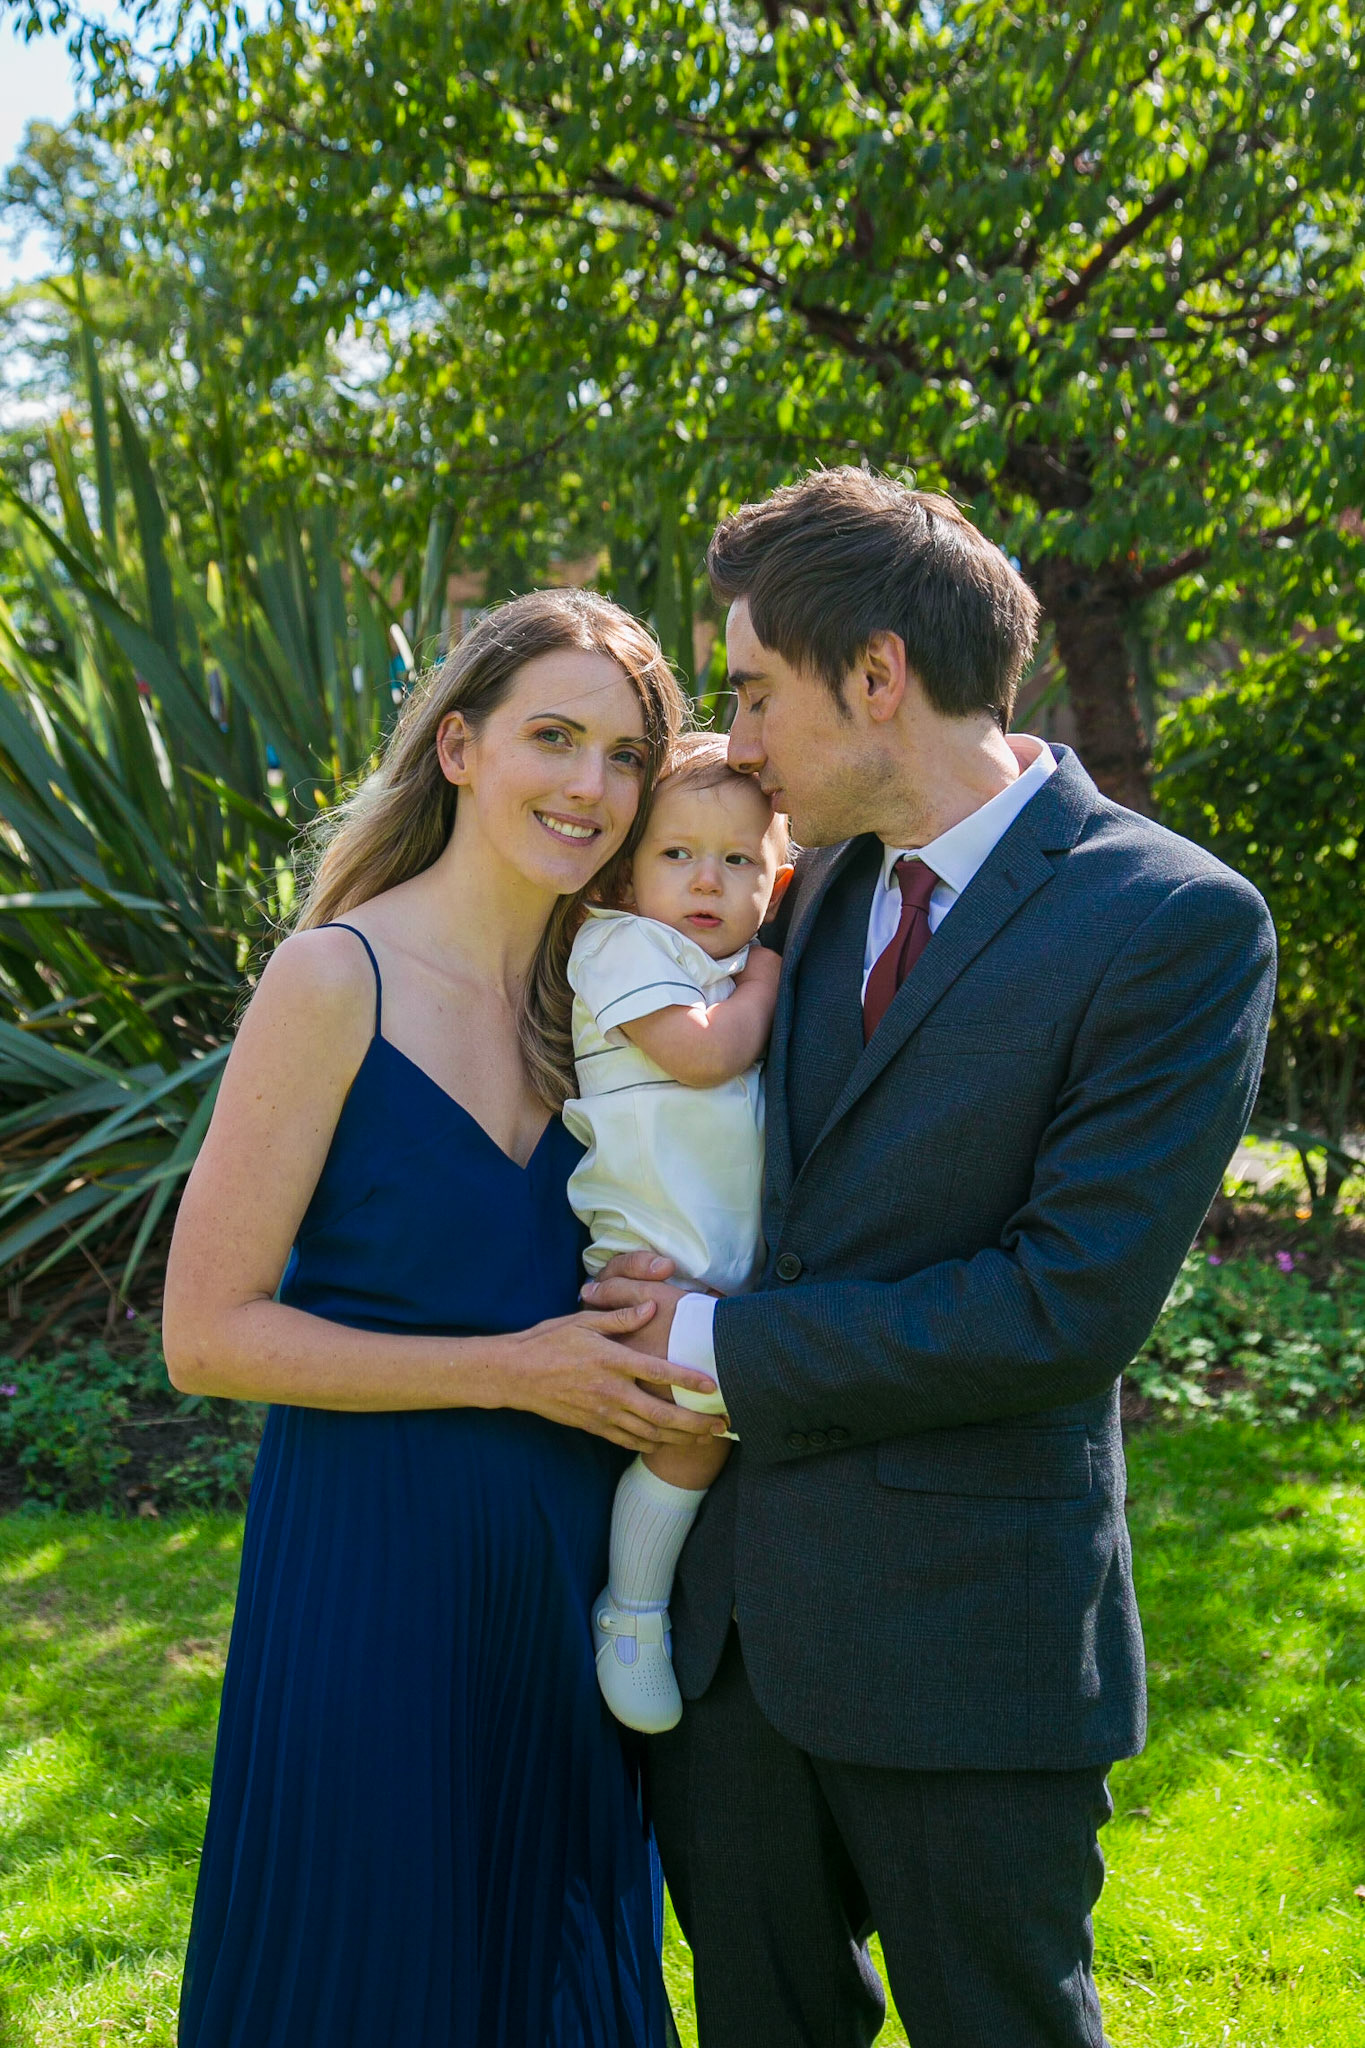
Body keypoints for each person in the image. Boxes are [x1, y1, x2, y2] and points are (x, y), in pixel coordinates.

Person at [584, 471, 1278, 2048]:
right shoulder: (795, 885)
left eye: (754, 692)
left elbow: (1062, 1306)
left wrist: (701, 1346)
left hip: (971, 1647)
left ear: (876, 675)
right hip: (729, 1646)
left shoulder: (1173, 923)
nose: (737, 743)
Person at [163, 589, 727, 2048]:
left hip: (569, 1576)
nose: (591, 788)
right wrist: (512, 1369)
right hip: (371, 1559)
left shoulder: (608, 991)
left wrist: (668, 1284)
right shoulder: (332, 976)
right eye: (554, 737)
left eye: (622, 756)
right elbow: (208, 1334)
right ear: (461, 747)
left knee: (552, 1975)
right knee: (368, 1967)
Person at [562, 733, 793, 1732]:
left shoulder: (738, 957)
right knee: (687, 1436)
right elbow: (703, 1059)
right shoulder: (618, 944)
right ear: (624, 871)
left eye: (738, 859)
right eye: (677, 853)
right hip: (652, 1246)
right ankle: (635, 1607)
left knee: (718, 1427)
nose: (708, 878)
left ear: (773, 879)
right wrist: (767, 982)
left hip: (728, 1258)